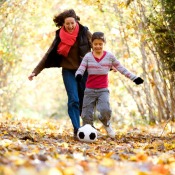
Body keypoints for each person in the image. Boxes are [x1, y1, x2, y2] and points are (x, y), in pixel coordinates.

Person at [28, 9, 92, 138]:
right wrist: (35, 71)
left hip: (84, 71)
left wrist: (108, 64)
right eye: (67, 24)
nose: (70, 26)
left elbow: (97, 49)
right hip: (68, 71)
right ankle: (77, 129)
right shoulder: (60, 36)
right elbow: (48, 54)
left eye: (72, 23)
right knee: (73, 99)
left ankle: (88, 126)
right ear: (63, 24)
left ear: (76, 21)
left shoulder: (85, 33)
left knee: (85, 100)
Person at [75, 32, 144, 138]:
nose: (98, 46)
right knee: (86, 115)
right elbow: (81, 68)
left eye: (100, 44)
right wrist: (79, 75)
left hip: (103, 90)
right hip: (89, 90)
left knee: (105, 110)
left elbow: (121, 68)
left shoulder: (109, 56)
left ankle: (106, 123)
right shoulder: (88, 56)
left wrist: (134, 78)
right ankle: (90, 131)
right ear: (91, 44)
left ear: (104, 44)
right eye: (95, 44)